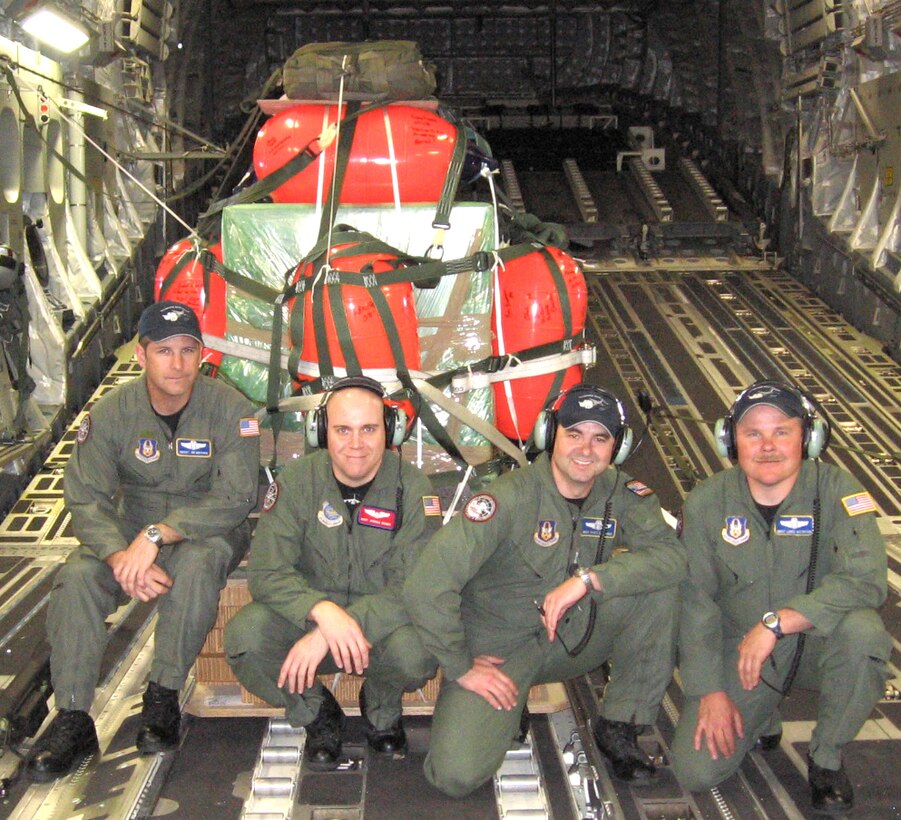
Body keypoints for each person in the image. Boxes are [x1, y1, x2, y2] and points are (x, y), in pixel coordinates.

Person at [403, 383, 685, 798]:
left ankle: (620, 722)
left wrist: (587, 580)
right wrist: (461, 663)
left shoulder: (623, 495)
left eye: (600, 438)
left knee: (659, 587)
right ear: (550, 435)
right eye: (574, 434)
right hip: (501, 650)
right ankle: (506, 705)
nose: (586, 450)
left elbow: (672, 557)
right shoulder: (507, 498)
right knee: (455, 776)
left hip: (576, 637)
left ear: (616, 448)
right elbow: (427, 585)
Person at [26, 300, 260, 782]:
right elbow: (86, 498)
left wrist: (156, 536)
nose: (177, 364)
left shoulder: (231, 410)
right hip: (130, 539)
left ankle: (163, 695)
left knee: (197, 563)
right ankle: (72, 716)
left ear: (201, 354)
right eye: (163, 351)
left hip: (207, 531)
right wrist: (118, 553)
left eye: (187, 350)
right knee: (77, 575)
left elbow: (235, 498)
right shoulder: (112, 414)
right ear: (141, 354)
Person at [671, 381, 890, 815]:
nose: (767, 446)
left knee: (865, 633)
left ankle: (826, 758)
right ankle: (762, 715)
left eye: (782, 432)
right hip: (744, 656)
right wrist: (710, 689)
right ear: (731, 440)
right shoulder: (707, 501)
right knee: (694, 771)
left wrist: (781, 622)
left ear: (808, 438)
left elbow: (867, 578)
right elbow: (695, 603)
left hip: (816, 641)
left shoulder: (837, 490)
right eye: (753, 433)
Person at [225, 375, 441, 770]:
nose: (355, 444)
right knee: (245, 639)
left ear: (390, 430)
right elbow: (268, 572)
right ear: (321, 431)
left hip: (380, 633)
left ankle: (380, 707)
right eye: (342, 429)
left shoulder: (413, 489)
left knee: (421, 650)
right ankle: (317, 713)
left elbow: (414, 588)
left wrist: (336, 629)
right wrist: (321, 613)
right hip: (306, 624)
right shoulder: (296, 482)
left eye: (369, 429)